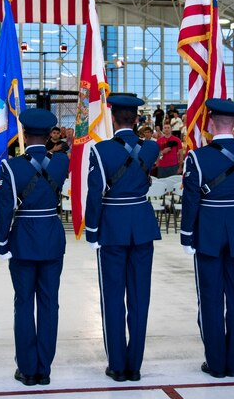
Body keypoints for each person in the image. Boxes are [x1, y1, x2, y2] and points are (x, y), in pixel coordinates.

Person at [181, 98, 234, 379]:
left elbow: (190, 200)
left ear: (211, 124)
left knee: (211, 298)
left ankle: (216, 363)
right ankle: (233, 363)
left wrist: (186, 235)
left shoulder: (197, 157)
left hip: (209, 230)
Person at [84, 95, 160, 382]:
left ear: (113, 119)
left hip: (112, 226)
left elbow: (95, 194)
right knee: (140, 297)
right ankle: (135, 365)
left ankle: (117, 365)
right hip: (141, 224)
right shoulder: (150, 148)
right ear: (137, 119)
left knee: (113, 297)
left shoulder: (100, 151)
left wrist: (93, 230)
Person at [0, 108, 68, 387]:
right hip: (51, 235)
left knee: (24, 303)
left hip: (24, 238)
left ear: (24, 134)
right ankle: (44, 368)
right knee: (49, 303)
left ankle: (27, 369)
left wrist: (1, 243)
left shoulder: (11, 166)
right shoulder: (60, 162)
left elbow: (5, 210)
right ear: (50, 135)